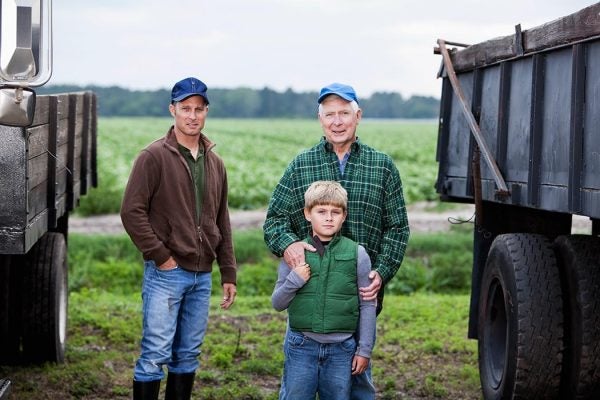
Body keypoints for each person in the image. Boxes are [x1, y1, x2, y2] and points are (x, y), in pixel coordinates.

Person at [263, 82, 410, 399]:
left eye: (344, 113)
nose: (337, 121)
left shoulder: (381, 166)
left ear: (358, 116)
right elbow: (274, 221)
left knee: (357, 382)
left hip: (358, 299)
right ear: (320, 120)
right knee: (299, 386)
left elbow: (397, 228)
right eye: (329, 114)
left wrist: (381, 273)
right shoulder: (302, 165)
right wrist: (288, 244)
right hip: (310, 300)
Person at [120, 77, 237, 400]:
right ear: (173, 110)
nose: (192, 115)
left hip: (202, 277)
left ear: (206, 112)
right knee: (155, 354)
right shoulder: (153, 156)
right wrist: (161, 256)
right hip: (166, 274)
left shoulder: (215, 163)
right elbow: (131, 212)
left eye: (199, 109)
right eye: (185, 108)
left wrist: (228, 271)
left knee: (187, 355)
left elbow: (221, 220)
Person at [272, 180, 377, 400]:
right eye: (321, 211)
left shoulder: (357, 254)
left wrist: (364, 350)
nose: (329, 217)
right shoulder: (295, 254)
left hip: (342, 350)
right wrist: (295, 280)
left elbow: (367, 304)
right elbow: (277, 303)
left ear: (344, 216)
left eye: (335, 212)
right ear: (308, 213)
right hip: (301, 346)